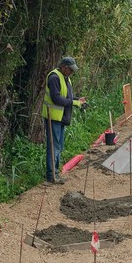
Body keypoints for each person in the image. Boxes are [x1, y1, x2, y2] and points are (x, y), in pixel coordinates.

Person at [41, 56, 87, 184]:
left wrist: (78, 100)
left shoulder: (65, 78)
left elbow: (67, 96)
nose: (71, 72)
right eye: (70, 69)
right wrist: (74, 103)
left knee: (58, 146)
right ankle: (51, 176)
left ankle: (55, 173)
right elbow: (56, 98)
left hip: (60, 117)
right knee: (54, 147)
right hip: (53, 117)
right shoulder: (54, 77)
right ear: (63, 67)